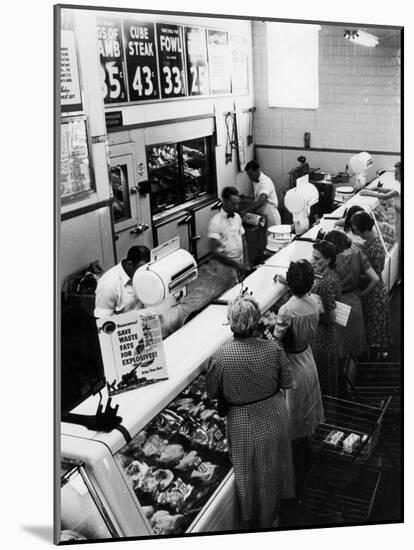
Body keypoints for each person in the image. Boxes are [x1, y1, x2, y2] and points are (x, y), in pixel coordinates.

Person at [206, 296, 295, 529]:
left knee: (248, 473)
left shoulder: (221, 356)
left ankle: (252, 520)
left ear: (231, 322)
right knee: (272, 468)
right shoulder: (273, 348)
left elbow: (211, 393)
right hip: (274, 414)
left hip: (242, 422)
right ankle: (272, 518)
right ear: (256, 321)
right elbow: (287, 381)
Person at [273, 261, 324, 492]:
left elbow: (277, 339)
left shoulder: (286, 310)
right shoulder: (314, 303)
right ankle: (308, 456)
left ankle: (293, 473)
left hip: (292, 365)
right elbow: (304, 293)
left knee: (292, 417)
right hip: (307, 358)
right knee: (307, 411)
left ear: (291, 283)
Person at [324, 230, 380, 360]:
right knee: (356, 343)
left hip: (337, 305)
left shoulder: (331, 261)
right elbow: (375, 279)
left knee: (341, 347)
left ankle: (344, 376)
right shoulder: (357, 254)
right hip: (355, 303)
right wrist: (362, 294)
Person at [350, 211, 392, 359]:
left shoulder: (375, 247)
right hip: (374, 293)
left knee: (375, 328)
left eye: (355, 228)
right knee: (378, 326)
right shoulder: (371, 242)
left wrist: (362, 293)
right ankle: (380, 355)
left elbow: (373, 277)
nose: (354, 231)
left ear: (363, 228)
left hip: (373, 294)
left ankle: (378, 359)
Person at [311, 240, 342, 396]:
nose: (313, 261)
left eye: (317, 259)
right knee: (329, 378)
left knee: (323, 380)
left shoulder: (325, 283)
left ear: (328, 259)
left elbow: (330, 317)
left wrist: (313, 314)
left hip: (322, 338)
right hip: (331, 338)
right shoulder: (333, 275)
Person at [207, 186, 250, 293]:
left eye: (237, 204)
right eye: (233, 203)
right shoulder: (215, 222)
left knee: (241, 291)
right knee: (228, 294)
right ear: (224, 201)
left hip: (240, 261)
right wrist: (236, 265)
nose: (236, 207)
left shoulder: (237, 217)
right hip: (226, 267)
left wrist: (246, 262)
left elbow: (243, 239)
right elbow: (215, 252)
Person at [94, 246, 150, 318]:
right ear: (129, 264)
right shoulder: (109, 284)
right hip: (125, 325)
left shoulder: (144, 273)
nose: (146, 272)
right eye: (141, 269)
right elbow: (103, 320)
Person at [244, 160, 281, 226]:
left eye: (250, 174)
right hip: (263, 216)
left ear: (257, 171)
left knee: (272, 235)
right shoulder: (255, 180)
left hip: (271, 216)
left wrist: (246, 209)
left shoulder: (265, 182)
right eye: (248, 175)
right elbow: (257, 198)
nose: (249, 177)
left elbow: (261, 201)